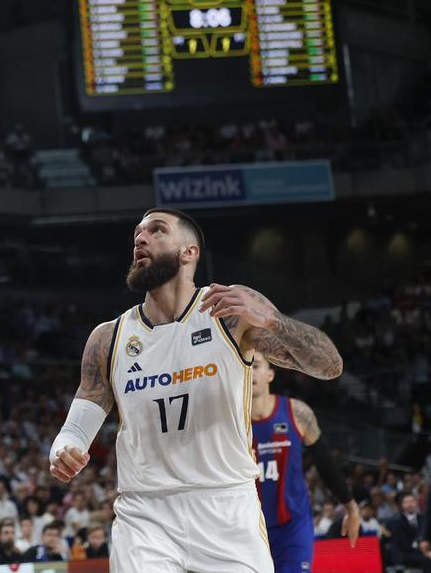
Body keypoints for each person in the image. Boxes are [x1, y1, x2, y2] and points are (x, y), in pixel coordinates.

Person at [50, 208, 345, 573]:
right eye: (137, 234)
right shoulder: (108, 337)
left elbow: (329, 366)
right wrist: (65, 449)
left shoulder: (229, 313)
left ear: (189, 252)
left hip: (225, 506)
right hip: (145, 512)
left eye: (156, 231)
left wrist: (272, 320)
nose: (140, 239)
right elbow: (77, 426)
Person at [251, 355, 360, 572]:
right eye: (245, 366)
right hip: (248, 527)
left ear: (270, 374)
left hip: (292, 525)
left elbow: (325, 461)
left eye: (256, 366)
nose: (250, 372)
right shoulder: (228, 420)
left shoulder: (297, 412)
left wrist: (351, 507)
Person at [387, 493, 431, 571]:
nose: (410, 505)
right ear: (402, 505)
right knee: (427, 560)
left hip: (423, 551)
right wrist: (422, 552)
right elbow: (402, 545)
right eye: (406, 502)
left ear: (416, 503)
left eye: (412, 501)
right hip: (405, 554)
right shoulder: (396, 522)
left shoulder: (423, 519)